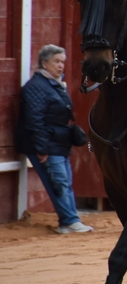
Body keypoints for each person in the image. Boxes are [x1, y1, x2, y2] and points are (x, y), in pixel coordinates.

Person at [15, 44, 93, 234]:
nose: (61, 66)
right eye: (56, 62)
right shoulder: (37, 87)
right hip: (47, 145)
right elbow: (35, 120)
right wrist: (42, 148)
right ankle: (69, 220)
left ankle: (67, 221)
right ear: (44, 63)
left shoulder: (53, 84)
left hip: (57, 143)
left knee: (64, 182)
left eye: (62, 62)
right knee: (59, 183)